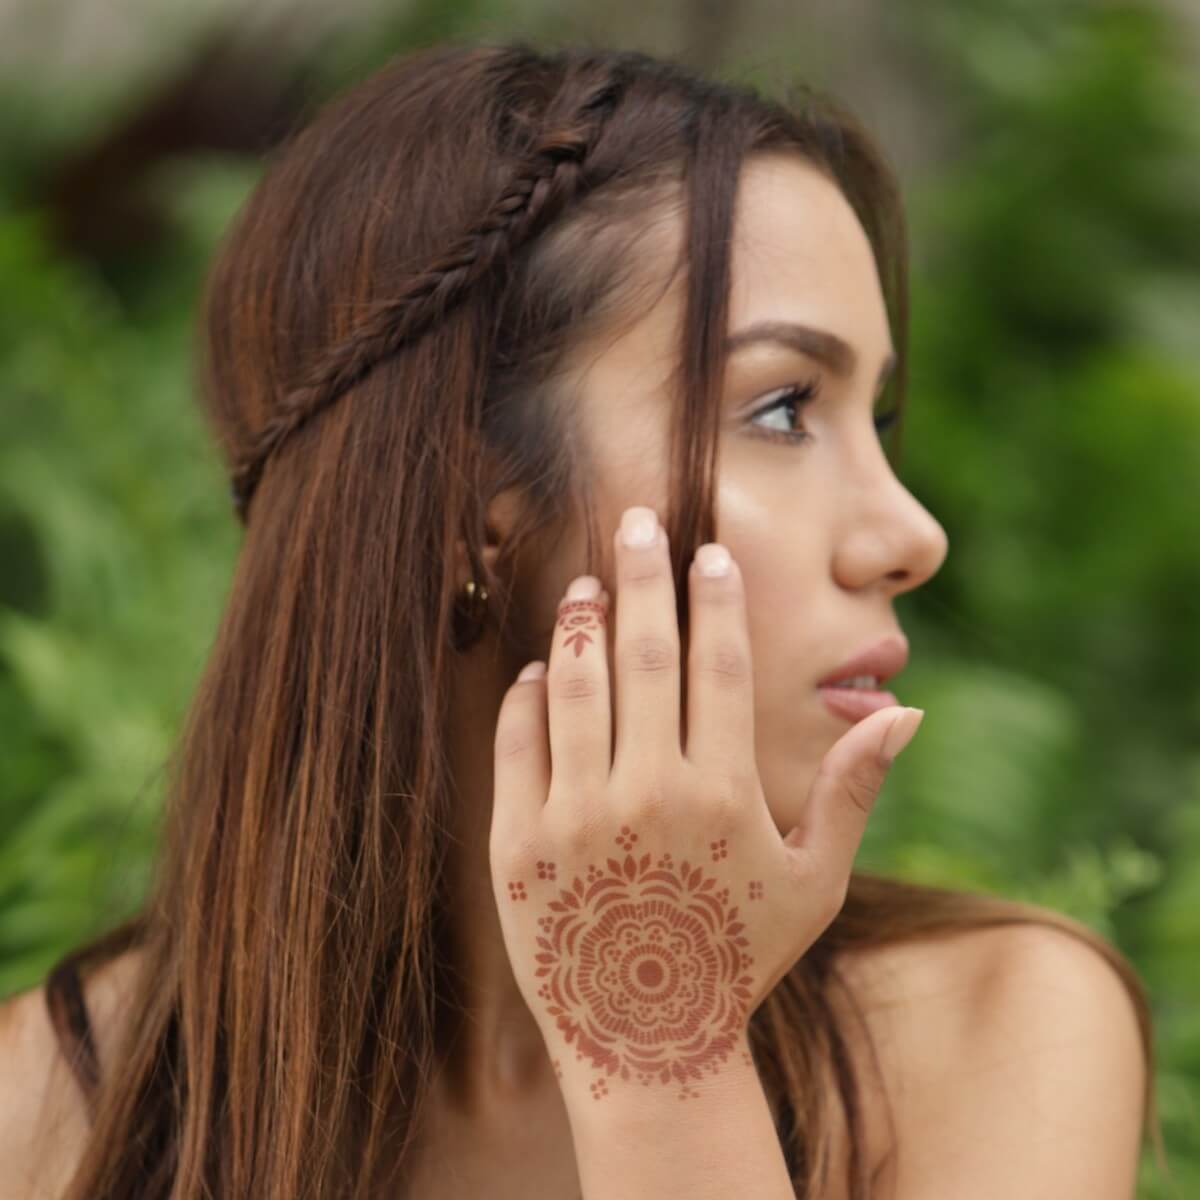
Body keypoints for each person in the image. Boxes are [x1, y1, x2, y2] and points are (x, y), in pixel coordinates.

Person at [1, 40, 1164, 1200]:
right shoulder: (51, 1109)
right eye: (783, 407)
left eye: (878, 415)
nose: (910, 533)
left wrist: (656, 1029)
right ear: (473, 507)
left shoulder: (996, 1035)